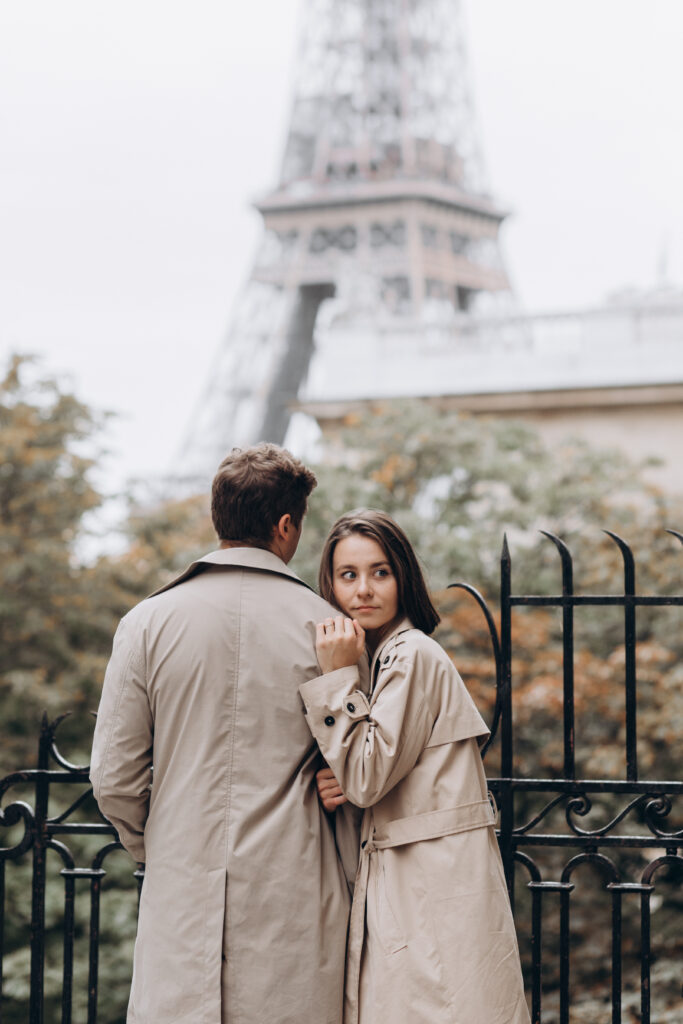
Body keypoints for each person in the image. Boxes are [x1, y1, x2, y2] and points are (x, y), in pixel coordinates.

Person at [90, 444, 360, 1024]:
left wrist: (162, 848)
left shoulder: (146, 622)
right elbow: (359, 766)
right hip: (298, 897)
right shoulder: (332, 630)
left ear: (220, 519)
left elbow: (113, 779)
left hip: (181, 894)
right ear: (285, 526)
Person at [298, 509, 530, 1024]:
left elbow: (366, 777)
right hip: (422, 885)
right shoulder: (383, 659)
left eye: (380, 572)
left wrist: (336, 680)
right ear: (330, 585)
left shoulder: (411, 655)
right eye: (348, 575)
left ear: (404, 577)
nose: (364, 590)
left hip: (429, 890)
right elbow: (378, 772)